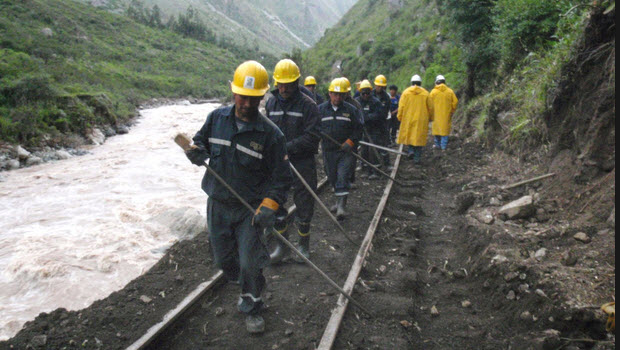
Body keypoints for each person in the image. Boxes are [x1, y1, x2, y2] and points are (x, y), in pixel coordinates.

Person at [185, 60, 293, 334]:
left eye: (253, 98)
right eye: (242, 96)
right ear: (233, 93)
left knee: (249, 262)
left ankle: (253, 305)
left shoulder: (272, 135)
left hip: (249, 210)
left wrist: (270, 206)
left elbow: (281, 178)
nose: (246, 103)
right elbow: (200, 143)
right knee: (224, 261)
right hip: (218, 204)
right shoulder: (216, 119)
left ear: (261, 97)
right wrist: (195, 152)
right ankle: (248, 280)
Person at [266, 59, 321, 262]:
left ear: (296, 82)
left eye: (288, 84)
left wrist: (288, 148)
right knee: (276, 203)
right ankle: (283, 247)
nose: (283, 88)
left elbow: (313, 136)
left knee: (304, 203)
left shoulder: (308, 105)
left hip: (302, 162)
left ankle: (303, 246)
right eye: (280, 84)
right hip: (278, 164)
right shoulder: (271, 102)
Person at [319, 78, 363, 219]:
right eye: (335, 94)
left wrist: (350, 141)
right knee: (332, 176)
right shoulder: (321, 110)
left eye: (340, 95)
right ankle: (338, 203)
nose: (337, 97)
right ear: (330, 94)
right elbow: (313, 127)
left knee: (342, 177)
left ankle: (342, 207)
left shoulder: (351, 110)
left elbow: (359, 128)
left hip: (345, 151)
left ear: (345, 96)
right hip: (328, 150)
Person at [397, 75, 433, 164]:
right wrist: (430, 118)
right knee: (419, 137)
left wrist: (400, 116)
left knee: (409, 135)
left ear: (411, 83)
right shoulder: (426, 93)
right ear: (420, 83)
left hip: (408, 118)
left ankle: (411, 150)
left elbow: (401, 106)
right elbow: (431, 108)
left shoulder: (406, 93)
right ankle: (417, 158)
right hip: (421, 119)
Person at [356, 80, 387, 179]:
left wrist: (367, 117)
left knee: (373, 150)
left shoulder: (375, 102)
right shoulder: (357, 102)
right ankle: (365, 170)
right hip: (363, 130)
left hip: (374, 129)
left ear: (370, 92)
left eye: (367, 93)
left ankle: (376, 171)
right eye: (363, 93)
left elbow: (379, 115)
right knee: (364, 150)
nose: (365, 95)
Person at [341, 77, 364, 189]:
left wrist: (353, 139)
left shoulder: (355, 104)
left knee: (350, 160)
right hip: (338, 139)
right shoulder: (335, 103)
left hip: (351, 139)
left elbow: (360, 123)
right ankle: (339, 182)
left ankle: (350, 180)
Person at [429, 75, 458, 150]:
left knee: (436, 130)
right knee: (444, 131)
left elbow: (429, 104)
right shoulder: (450, 91)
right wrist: (452, 111)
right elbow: (455, 102)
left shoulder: (433, 92)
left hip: (435, 116)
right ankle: (443, 147)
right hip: (446, 115)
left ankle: (437, 145)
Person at [371, 74, 393, 170]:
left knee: (384, 144)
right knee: (372, 146)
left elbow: (385, 111)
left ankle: (386, 164)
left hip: (382, 123)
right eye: (378, 86)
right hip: (372, 124)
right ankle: (373, 165)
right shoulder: (370, 94)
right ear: (375, 85)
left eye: (381, 86)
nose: (379, 88)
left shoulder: (386, 97)